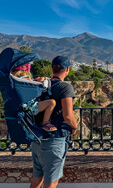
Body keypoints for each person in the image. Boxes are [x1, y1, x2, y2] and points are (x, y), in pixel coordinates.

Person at [30, 56, 78, 188]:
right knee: (51, 181)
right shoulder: (65, 87)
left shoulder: (41, 84)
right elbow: (68, 115)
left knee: (37, 178)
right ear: (67, 69)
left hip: (36, 138)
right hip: (53, 140)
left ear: (52, 68)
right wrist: (74, 127)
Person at [11, 63, 57, 132]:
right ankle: (45, 123)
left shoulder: (13, 81)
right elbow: (39, 90)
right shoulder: (27, 80)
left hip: (16, 108)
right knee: (52, 102)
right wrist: (43, 79)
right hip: (30, 107)